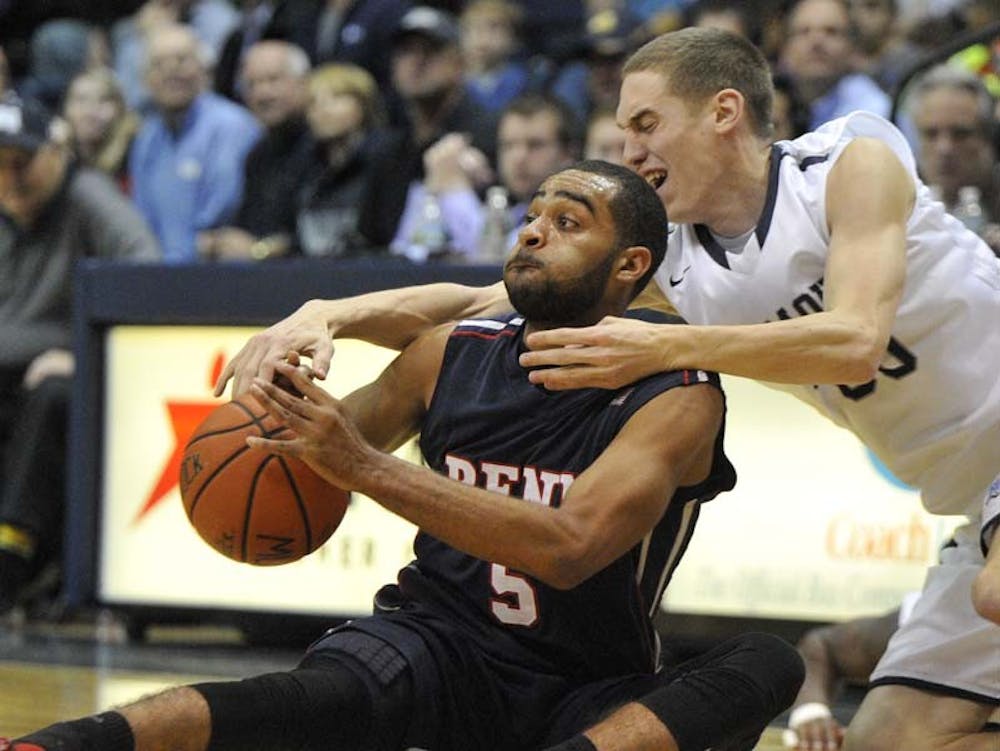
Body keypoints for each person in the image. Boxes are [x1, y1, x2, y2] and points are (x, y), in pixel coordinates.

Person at [215, 26, 1000, 751]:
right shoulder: (670, 261)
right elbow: (476, 306)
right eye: (624, 131)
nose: (630, 149)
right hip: (977, 499)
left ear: (724, 111)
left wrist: (657, 346)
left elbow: (855, 339)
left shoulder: (847, 163)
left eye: (647, 124)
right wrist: (329, 314)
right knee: (893, 742)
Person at [1, 160, 805, 751]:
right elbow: (316, 453)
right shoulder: (447, 353)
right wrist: (274, 413)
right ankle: (57, 745)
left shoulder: (677, 394)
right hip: (432, 642)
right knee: (288, 700)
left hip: (586, 680)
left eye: (569, 222)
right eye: (533, 214)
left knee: (765, 661)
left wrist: (364, 466)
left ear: (630, 266)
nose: (534, 229)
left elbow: (571, 548)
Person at [0, 94, 161, 613]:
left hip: (76, 376)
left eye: (21, 162)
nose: (11, 178)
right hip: (11, 370)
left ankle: (11, 557)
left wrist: (81, 353)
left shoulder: (88, 196)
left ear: (56, 151)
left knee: (51, 394)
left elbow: (147, 275)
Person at [128, 23, 262, 263]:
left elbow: (223, 207)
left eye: (182, 60)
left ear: (203, 68)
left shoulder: (232, 125)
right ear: (145, 79)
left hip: (216, 272)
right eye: (158, 64)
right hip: (158, 275)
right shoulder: (145, 137)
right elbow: (141, 217)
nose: (171, 71)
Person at [196, 40, 313, 261]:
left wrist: (261, 249)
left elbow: (324, 233)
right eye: (251, 84)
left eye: (273, 80)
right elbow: (249, 228)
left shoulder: (326, 149)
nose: (262, 93)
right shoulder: (257, 154)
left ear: (303, 83)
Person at [908, 64, 1000, 255]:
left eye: (960, 134)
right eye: (931, 134)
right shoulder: (900, 201)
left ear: (987, 137)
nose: (945, 149)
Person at [61, 66, 140, 192]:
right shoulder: (58, 155)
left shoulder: (135, 152)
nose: (90, 112)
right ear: (67, 109)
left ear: (120, 108)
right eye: (81, 100)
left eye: (103, 100)